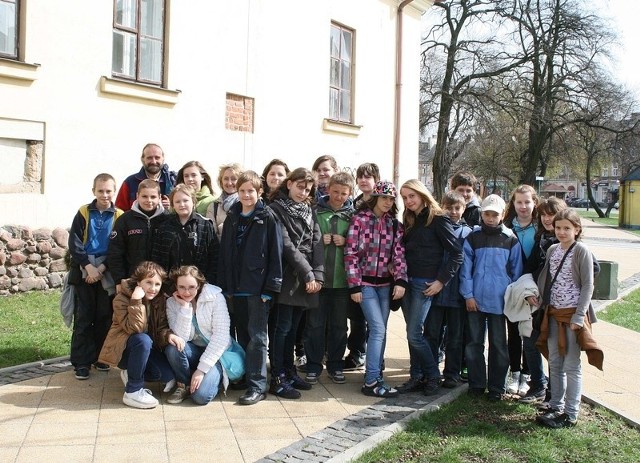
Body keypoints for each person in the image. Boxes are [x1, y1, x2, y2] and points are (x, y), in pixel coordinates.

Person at [218, 170, 283, 405]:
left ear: (259, 192)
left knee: (257, 338)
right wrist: (225, 286)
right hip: (236, 288)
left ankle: (258, 385)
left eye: (251, 191)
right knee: (242, 334)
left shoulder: (268, 218)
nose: (246, 195)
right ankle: (246, 377)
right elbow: (225, 254)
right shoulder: (233, 217)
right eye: (242, 190)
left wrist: (270, 288)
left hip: (258, 289)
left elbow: (276, 254)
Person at [535, 209, 602, 428]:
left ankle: (571, 413)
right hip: (553, 313)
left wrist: (579, 315)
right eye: (558, 228)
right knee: (555, 361)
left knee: (572, 364)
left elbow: (588, 285)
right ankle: (556, 406)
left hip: (572, 315)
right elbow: (548, 279)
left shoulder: (581, 250)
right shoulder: (554, 249)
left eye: (567, 228)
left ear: (577, 229)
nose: (562, 232)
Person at [396, 180, 463, 396]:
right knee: (411, 333)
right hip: (406, 281)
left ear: (422, 194)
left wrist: (441, 281)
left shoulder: (438, 218)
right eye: (405, 198)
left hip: (425, 285)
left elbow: (456, 253)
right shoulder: (409, 219)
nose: (408, 201)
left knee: (415, 334)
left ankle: (433, 375)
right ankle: (416, 376)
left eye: (411, 196)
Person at [345, 180, 407, 398]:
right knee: (378, 328)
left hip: (385, 285)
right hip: (366, 284)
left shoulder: (394, 225)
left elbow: (398, 254)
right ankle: (371, 381)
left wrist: (400, 280)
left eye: (391, 199)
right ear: (375, 198)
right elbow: (351, 254)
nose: (388, 202)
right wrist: (354, 285)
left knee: (379, 331)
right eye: (384, 198)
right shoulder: (359, 220)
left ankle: (376, 374)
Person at [460, 194, 523, 401]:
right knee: (474, 343)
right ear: (481, 213)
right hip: (475, 300)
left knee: (498, 344)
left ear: (502, 215)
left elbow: (516, 273)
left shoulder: (510, 239)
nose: (490, 218)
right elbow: (466, 270)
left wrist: (510, 298)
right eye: (486, 213)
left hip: (499, 301)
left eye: (494, 214)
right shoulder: (473, 238)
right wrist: (468, 295)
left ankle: (497, 387)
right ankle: (477, 383)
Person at [268, 167, 324, 398]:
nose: (303, 192)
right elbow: (287, 245)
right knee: (281, 329)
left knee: (294, 330)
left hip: (306, 279)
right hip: (288, 276)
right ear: (289, 183)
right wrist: (308, 273)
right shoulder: (275, 210)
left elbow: (317, 242)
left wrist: (318, 275)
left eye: (307, 188)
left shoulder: (310, 210)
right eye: (300, 186)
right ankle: (277, 376)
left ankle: (290, 371)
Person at [98, 261, 178, 409]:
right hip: (124, 351)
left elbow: (161, 327)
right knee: (143, 339)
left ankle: (131, 373)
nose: (153, 288)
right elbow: (136, 329)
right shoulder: (121, 299)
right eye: (148, 282)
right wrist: (135, 301)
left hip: (146, 350)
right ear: (138, 282)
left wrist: (168, 335)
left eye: (157, 284)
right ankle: (133, 391)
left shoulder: (159, 300)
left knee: (165, 375)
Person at [68, 173, 123, 380]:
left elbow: (118, 245)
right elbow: (74, 242)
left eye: (108, 191)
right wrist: (88, 267)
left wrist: (101, 268)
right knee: (84, 317)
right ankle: (82, 362)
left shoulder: (119, 215)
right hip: (85, 270)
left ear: (114, 191)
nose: (104, 195)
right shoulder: (83, 212)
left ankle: (101, 357)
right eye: (100, 191)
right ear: (94, 191)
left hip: (106, 271)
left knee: (104, 316)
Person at [305, 171, 355, 384]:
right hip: (319, 278)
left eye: (344, 193)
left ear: (350, 193)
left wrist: (347, 241)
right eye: (335, 191)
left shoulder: (353, 216)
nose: (339, 196)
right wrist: (319, 240)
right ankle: (314, 365)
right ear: (327, 190)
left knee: (339, 325)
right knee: (315, 324)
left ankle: (335, 365)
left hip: (342, 281)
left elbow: (360, 243)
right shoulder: (315, 212)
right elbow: (304, 241)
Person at [164, 266, 231, 405]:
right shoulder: (171, 303)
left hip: (216, 355)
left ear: (199, 284)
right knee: (173, 348)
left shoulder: (215, 297)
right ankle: (183, 385)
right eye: (181, 287)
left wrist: (201, 370)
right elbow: (182, 338)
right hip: (192, 350)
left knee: (200, 397)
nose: (186, 292)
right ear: (176, 286)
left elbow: (221, 337)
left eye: (191, 287)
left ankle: (210, 379)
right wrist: (184, 307)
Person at [425, 191, 471, 389]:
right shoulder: (435, 227)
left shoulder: (469, 233)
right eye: (448, 207)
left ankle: (451, 373)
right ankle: (431, 371)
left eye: (457, 208)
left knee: (455, 337)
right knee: (432, 334)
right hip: (435, 291)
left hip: (457, 294)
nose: (452, 212)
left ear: (464, 209)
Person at [343, 162, 380, 371]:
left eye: (368, 176)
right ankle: (356, 352)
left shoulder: (383, 203)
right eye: (360, 177)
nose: (364, 180)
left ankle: (371, 356)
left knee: (373, 318)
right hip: (356, 267)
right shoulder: (353, 204)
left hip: (376, 269)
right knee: (356, 316)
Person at [503, 185, 539, 396]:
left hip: (533, 289)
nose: (523, 206)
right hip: (513, 289)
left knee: (530, 334)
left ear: (534, 202)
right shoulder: (507, 227)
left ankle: (527, 375)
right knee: (514, 332)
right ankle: (514, 373)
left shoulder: (542, 228)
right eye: (519, 202)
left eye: (527, 202)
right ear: (513, 204)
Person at [107, 179, 168, 294]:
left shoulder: (168, 219)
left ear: (160, 198)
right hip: (132, 282)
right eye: (144, 196)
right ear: (137, 196)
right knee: (135, 311)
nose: (149, 200)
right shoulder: (125, 220)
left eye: (153, 197)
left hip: (160, 284)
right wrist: (119, 281)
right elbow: (115, 252)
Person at [151, 184, 219, 284]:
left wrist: (207, 282)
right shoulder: (164, 227)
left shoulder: (205, 225)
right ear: (173, 205)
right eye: (177, 202)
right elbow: (157, 257)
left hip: (199, 284)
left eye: (185, 200)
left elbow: (214, 256)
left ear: (193, 201)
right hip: (171, 285)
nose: (182, 204)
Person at [115, 143, 176, 211]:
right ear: (142, 159)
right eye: (149, 158)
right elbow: (119, 212)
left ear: (163, 159)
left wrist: (171, 207)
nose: (154, 161)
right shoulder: (130, 182)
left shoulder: (173, 181)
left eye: (157, 157)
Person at [206, 163, 243, 241]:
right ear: (221, 181)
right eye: (226, 179)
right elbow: (211, 236)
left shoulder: (247, 203)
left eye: (233, 179)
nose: (229, 183)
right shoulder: (213, 207)